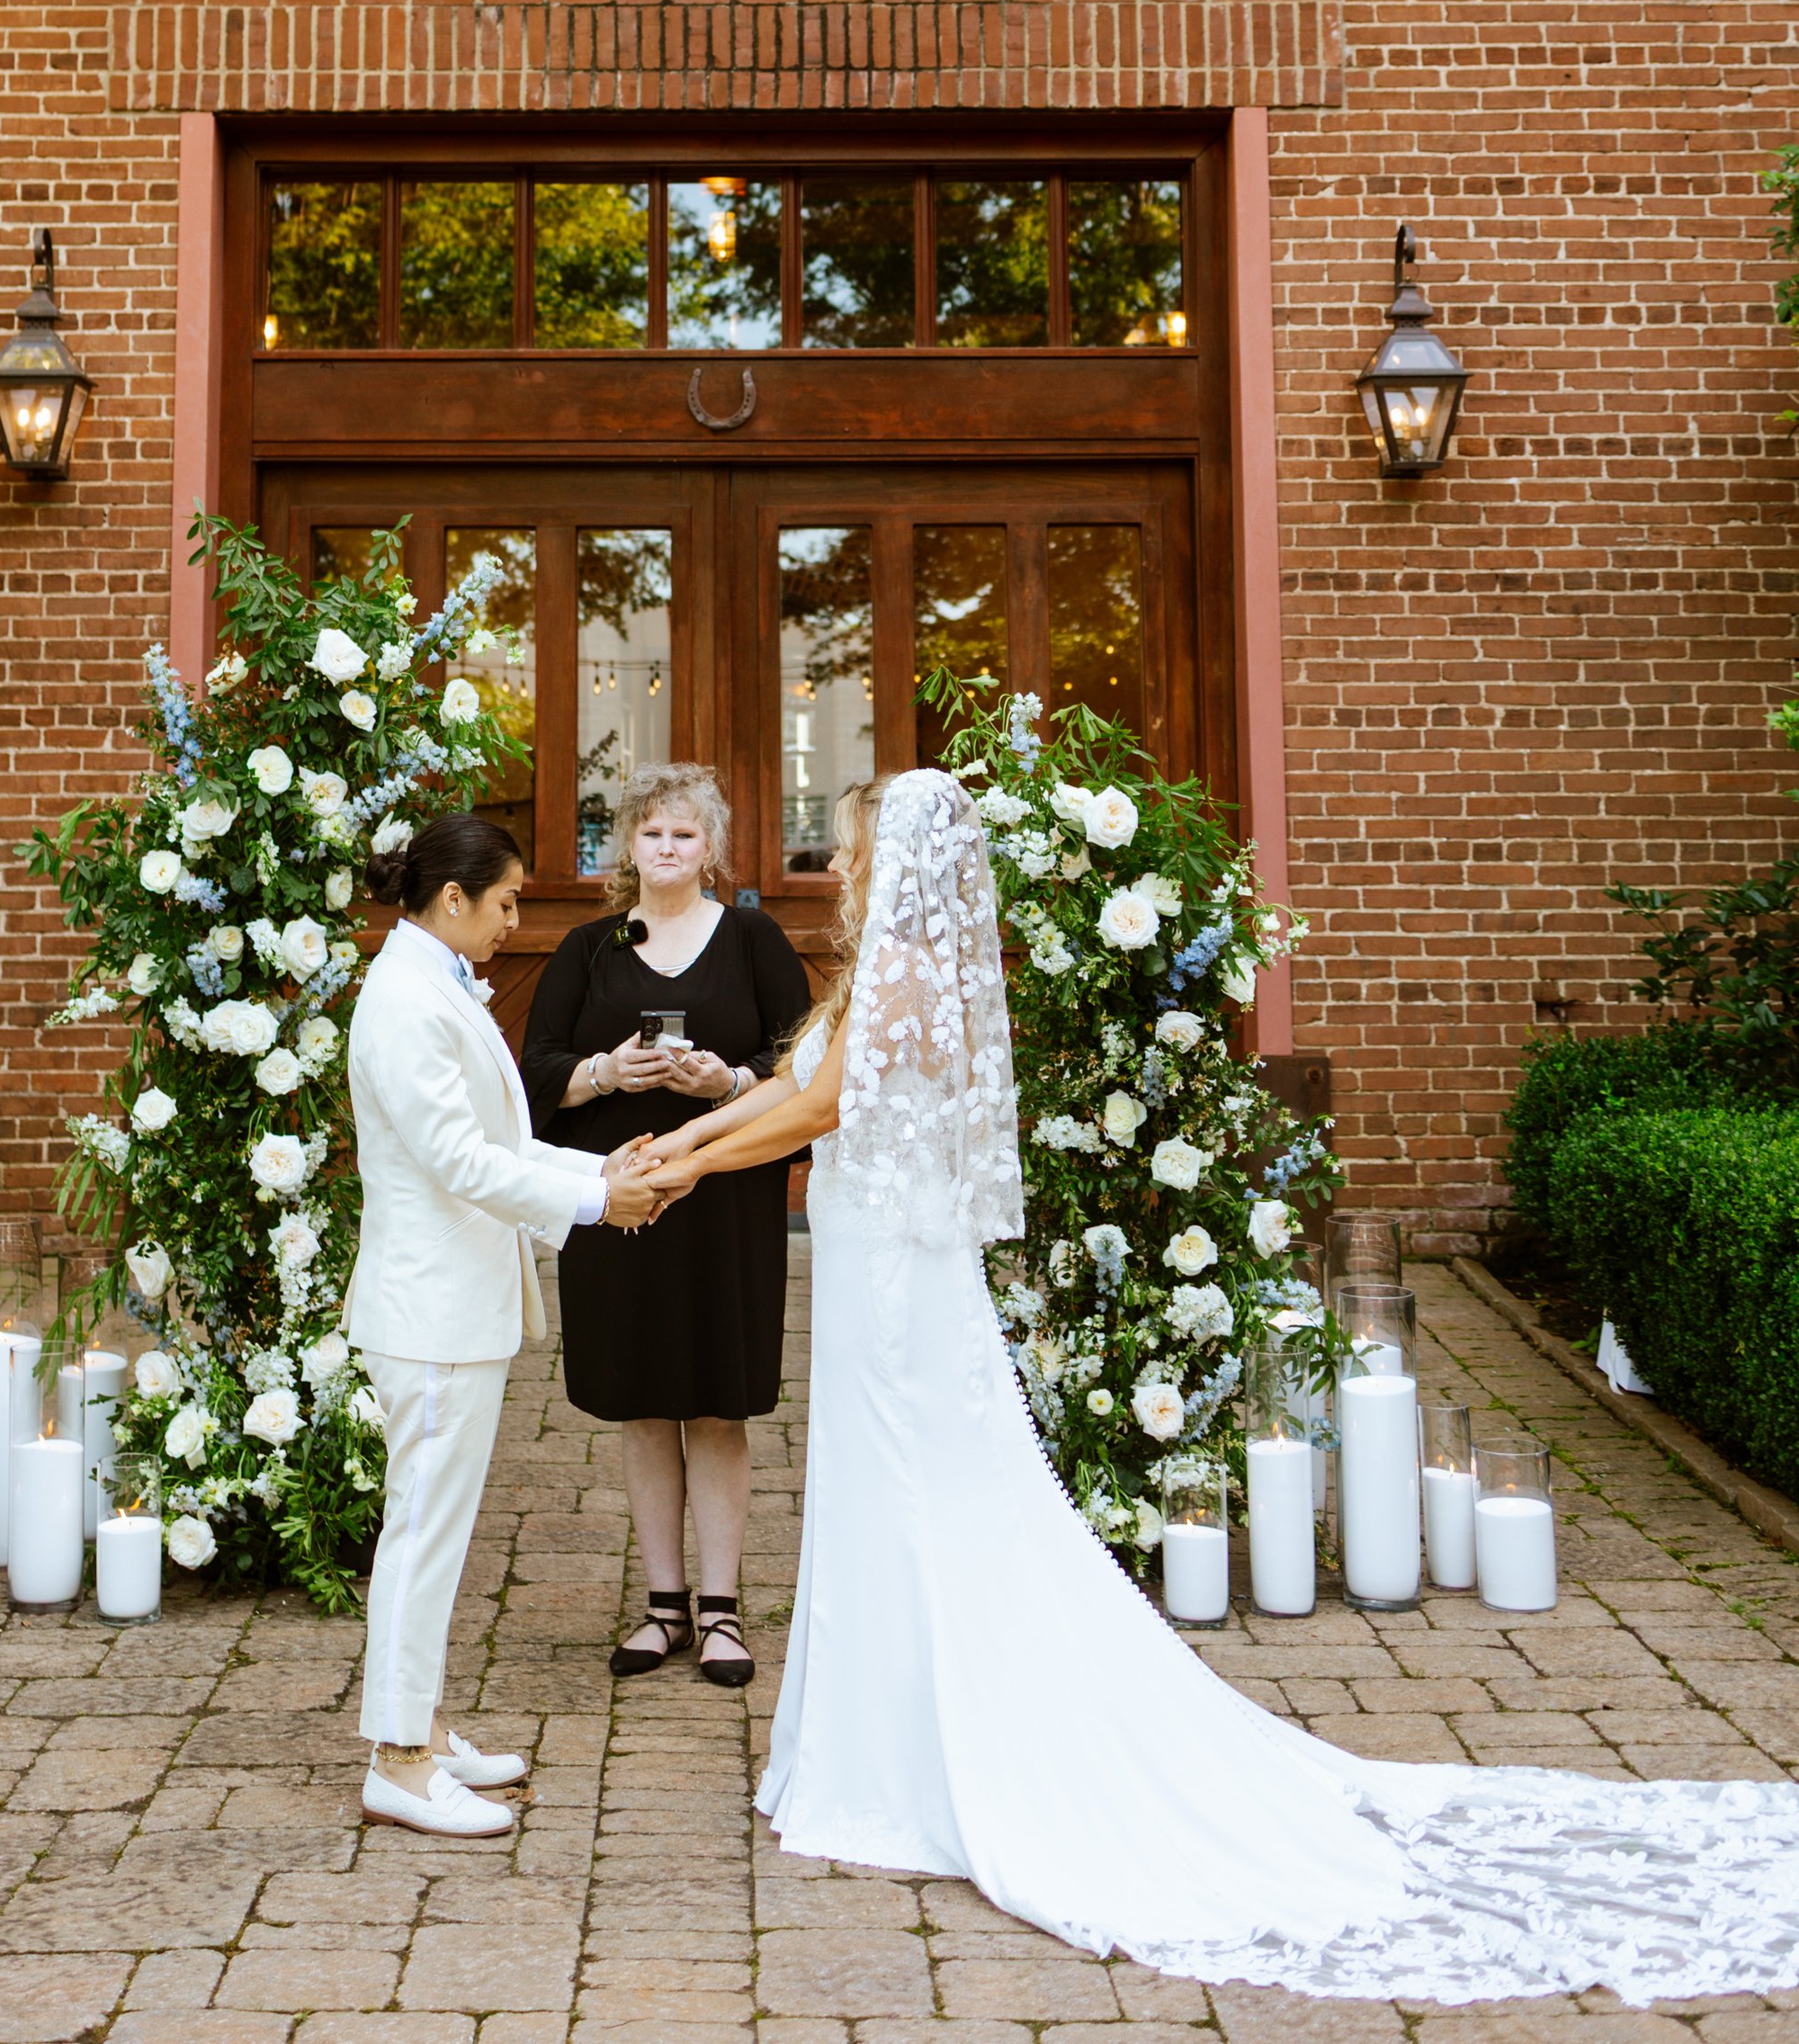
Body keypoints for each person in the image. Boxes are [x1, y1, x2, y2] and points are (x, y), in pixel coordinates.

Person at [638, 766, 1799, 2006]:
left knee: (919, 1490)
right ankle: (879, 1738)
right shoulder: (876, 974)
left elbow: (817, 1105)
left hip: (900, 1289)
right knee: (888, 1491)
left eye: (858, 842)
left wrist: (690, 1164)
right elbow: (792, 1095)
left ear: (900, 858)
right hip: (875, 1265)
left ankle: (916, 1755)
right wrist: (687, 1143)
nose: (843, 860)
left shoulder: (912, 975)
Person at [345, 811, 661, 1842]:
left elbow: (496, 1139)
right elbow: (459, 1164)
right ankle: (396, 1761)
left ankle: (424, 1730)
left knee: (436, 1532)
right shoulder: (404, 1001)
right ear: (451, 900)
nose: (516, 921)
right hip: (429, 1309)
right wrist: (593, 1202)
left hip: (454, 1302)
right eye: (507, 900)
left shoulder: (431, 981)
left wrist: (596, 1169)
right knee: (422, 1535)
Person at [522, 762, 811, 1686]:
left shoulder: (755, 939)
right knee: (643, 1406)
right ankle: (662, 1607)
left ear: (712, 848)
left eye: (685, 834)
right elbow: (531, 1079)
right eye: (652, 833)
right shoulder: (588, 949)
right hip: (620, 1202)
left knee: (719, 1406)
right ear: (628, 846)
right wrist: (607, 1073)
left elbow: (806, 1074)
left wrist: (722, 1083)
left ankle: (723, 1612)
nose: (668, 848)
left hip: (727, 1204)